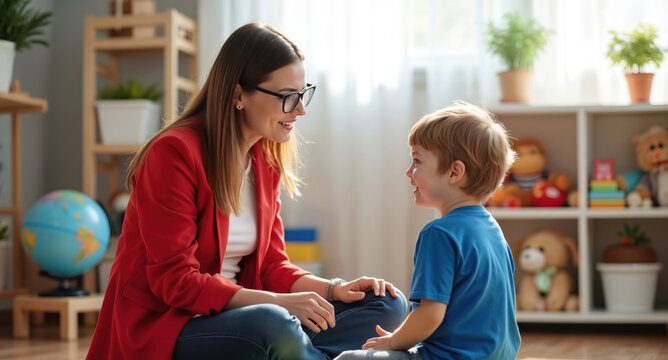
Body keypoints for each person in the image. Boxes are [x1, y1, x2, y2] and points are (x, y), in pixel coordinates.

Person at [87, 23, 407, 360]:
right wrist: (280, 304)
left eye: (302, 93)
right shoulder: (173, 154)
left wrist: (333, 289)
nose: (300, 110)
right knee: (274, 325)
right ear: (238, 95)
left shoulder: (264, 158)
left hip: (245, 319)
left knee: (386, 303)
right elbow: (176, 281)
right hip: (170, 326)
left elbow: (271, 265)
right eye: (287, 97)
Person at [336, 102, 521, 360]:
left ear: (454, 172)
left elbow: (430, 315)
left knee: (348, 359)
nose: (408, 172)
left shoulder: (439, 234)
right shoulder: (493, 231)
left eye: (417, 161)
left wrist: (392, 342)